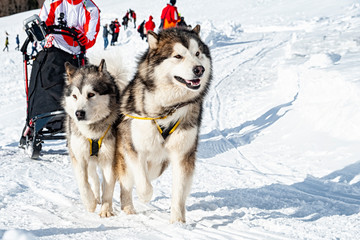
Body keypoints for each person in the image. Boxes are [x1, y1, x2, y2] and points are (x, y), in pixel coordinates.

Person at [19, 0, 100, 147]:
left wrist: (84, 39)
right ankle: (32, 121)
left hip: (74, 55)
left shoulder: (90, 9)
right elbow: (42, 26)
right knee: (43, 71)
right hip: (52, 51)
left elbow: (91, 36)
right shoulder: (53, 3)